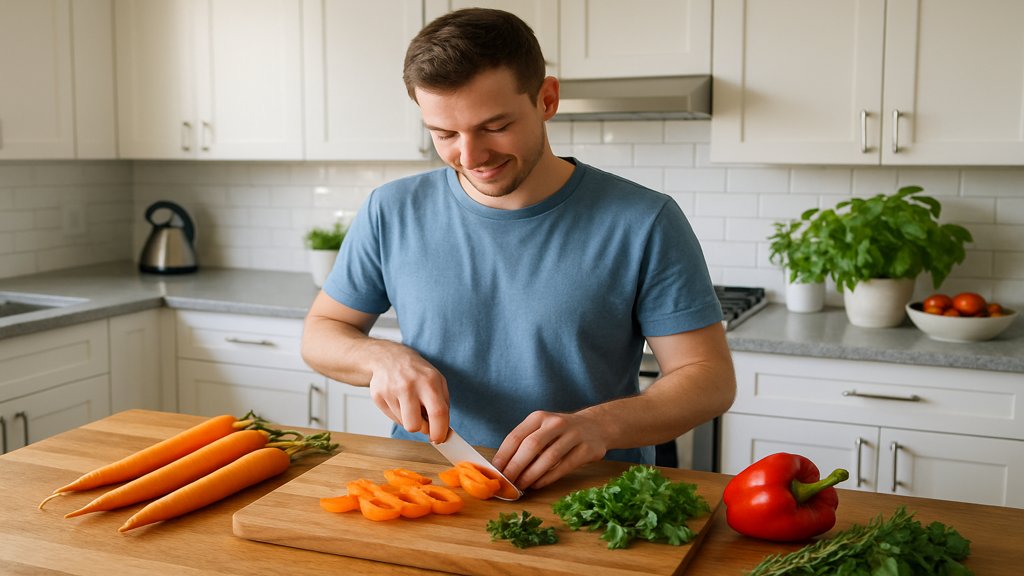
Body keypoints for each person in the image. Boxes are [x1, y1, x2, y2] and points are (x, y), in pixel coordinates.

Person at [301, 7, 735, 491]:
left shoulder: (643, 220)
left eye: (494, 126)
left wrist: (600, 426)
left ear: (547, 99)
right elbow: (323, 332)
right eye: (444, 134)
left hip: (594, 493)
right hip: (429, 485)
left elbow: (708, 378)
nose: (470, 157)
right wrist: (380, 358)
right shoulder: (392, 209)